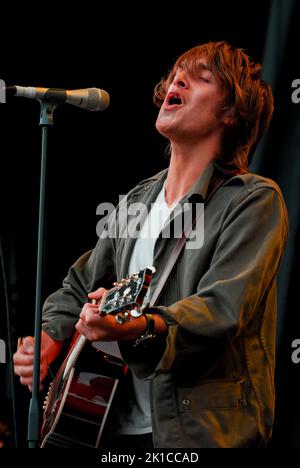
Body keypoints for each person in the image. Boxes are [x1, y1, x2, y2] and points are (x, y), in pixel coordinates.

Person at [13, 41, 288, 448]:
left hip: (195, 435)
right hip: (111, 430)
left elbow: (221, 309)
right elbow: (77, 285)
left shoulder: (252, 200)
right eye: (177, 74)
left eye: (201, 78)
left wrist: (137, 326)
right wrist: (50, 341)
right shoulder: (137, 201)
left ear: (231, 112)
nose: (178, 80)